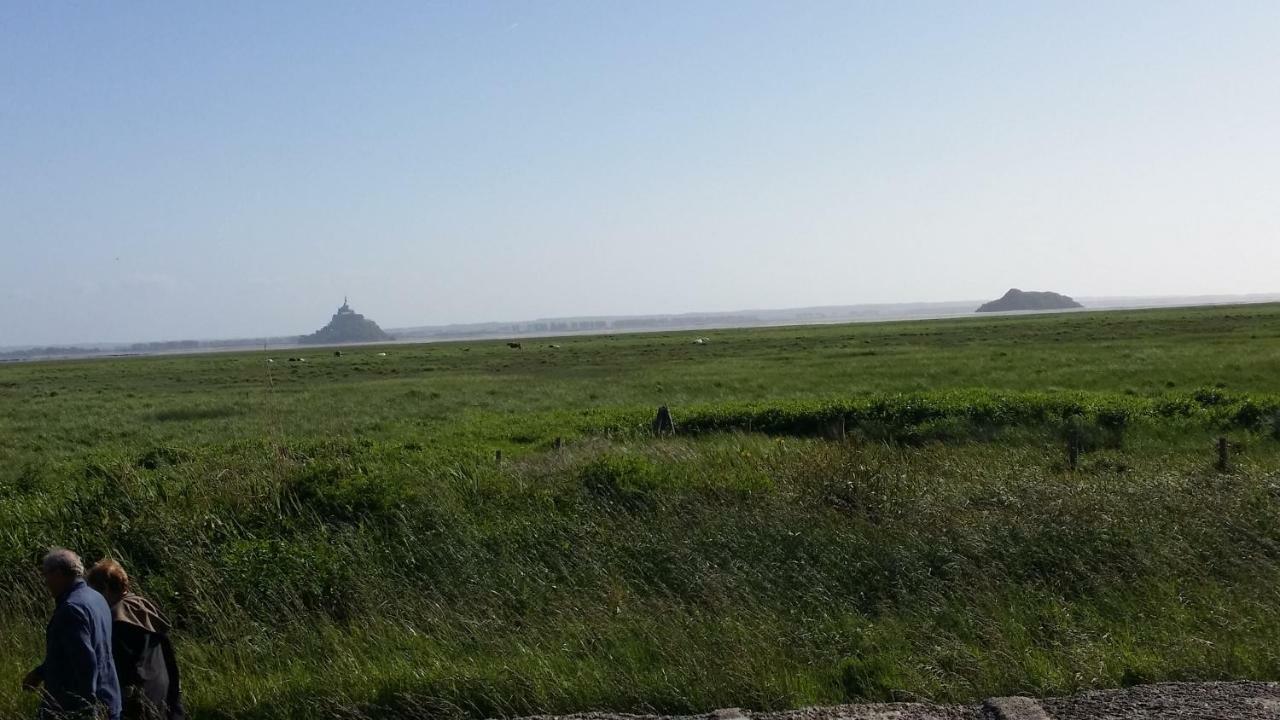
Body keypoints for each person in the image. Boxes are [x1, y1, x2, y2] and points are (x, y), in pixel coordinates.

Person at [22, 548, 123, 720]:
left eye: (46, 574)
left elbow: (86, 663)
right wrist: (40, 673)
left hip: (78, 708)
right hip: (109, 697)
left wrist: (89, 710)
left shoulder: (71, 609)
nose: (45, 581)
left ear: (59, 573)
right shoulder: (96, 598)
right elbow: (73, 653)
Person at [85, 560, 185, 720]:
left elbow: (122, 675)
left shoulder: (118, 622)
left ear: (105, 589)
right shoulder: (143, 609)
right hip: (162, 698)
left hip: (140, 705)